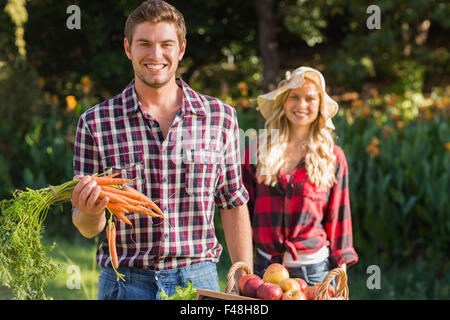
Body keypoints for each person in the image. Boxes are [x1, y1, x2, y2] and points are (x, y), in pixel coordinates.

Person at [71, 0, 252, 300]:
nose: (156, 55)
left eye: (166, 44)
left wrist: (244, 281)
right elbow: (88, 226)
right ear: (128, 48)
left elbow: (232, 202)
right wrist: (90, 213)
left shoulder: (220, 118)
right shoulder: (95, 123)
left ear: (181, 49)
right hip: (124, 283)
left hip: (199, 282)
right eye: (144, 44)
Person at [241, 66, 358, 286]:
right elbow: (242, 213)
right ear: (284, 101)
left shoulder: (332, 157)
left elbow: (339, 220)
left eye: (310, 98)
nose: (301, 105)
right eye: (294, 96)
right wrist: (244, 268)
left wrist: (341, 275)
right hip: (265, 271)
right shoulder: (256, 151)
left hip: (315, 272)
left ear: (320, 106)